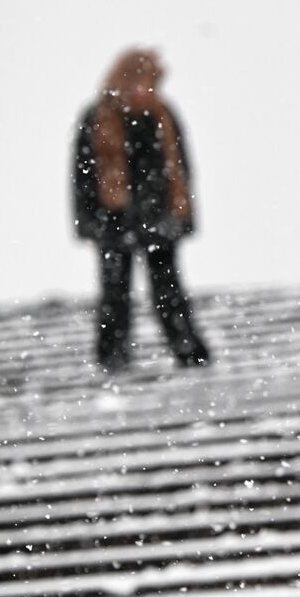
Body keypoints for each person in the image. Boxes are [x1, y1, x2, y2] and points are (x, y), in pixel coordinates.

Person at [71, 48, 209, 371]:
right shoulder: (97, 118)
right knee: (114, 292)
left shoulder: (163, 115)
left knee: (169, 289)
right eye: (141, 82)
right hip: (113, 222)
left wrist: (182, 217)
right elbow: (83, 178)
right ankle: (113, 355)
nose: (146, 90)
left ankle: (187, 350)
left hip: (159, 220)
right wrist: (91, 222)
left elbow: (180, 169)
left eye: (151, 84)